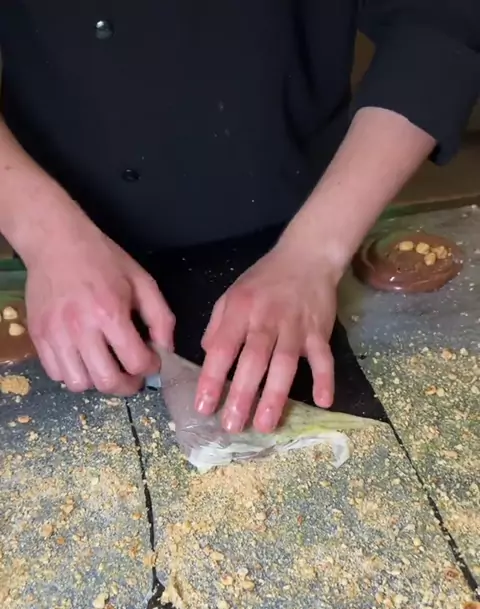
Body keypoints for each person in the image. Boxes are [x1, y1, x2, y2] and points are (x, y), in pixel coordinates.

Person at [0, 3, 479, 434]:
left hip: (300, 212)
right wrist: (47, 235)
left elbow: (441, 17)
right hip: (52, 218)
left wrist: (314, 251)